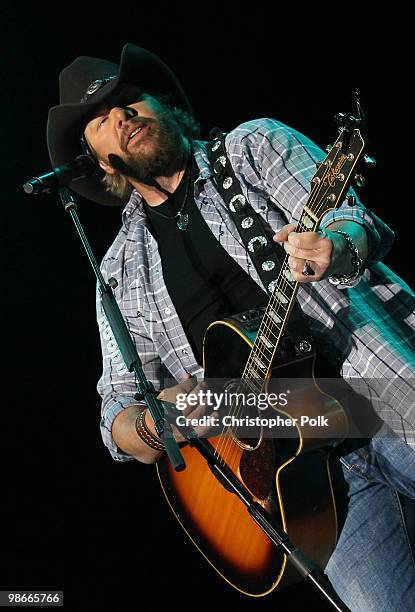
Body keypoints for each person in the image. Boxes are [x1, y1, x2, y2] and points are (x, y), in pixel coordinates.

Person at [47, 43, 415, 610]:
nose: (122, 117)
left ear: (166, 106)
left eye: (130, 101)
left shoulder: (251, 147)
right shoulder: (119, 273)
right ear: (96, 160)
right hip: (304, 478)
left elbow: (350, 217)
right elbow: (114, 417)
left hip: (386, 391)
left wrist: (336, 249)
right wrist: (157, 421)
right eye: (101, 120)